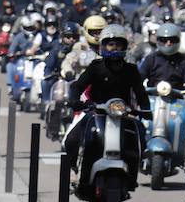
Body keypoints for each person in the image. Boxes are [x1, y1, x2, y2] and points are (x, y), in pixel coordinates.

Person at [64, 24, 150, 190]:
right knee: (72, 139)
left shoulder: (131, 70)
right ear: (103, 46)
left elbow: (141, 92)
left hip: (123, 115)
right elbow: (77, 86)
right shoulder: (96, 67)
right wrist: (76, 102)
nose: (114, 48)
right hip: (96, 113)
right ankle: (75, 170)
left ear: (125, 47)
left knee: (141, 135)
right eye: (110, 44)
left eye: (118, 44)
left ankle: (132, 173)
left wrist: (145, 109)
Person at [138, 22, 185, 89]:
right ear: (158, 40)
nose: (168, 43)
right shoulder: (151, 59)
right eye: (164, 40)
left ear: (178, 40)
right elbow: (140, 77)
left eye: (173, 40)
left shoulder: (184, 61)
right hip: (153, 97)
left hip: (176, 97)